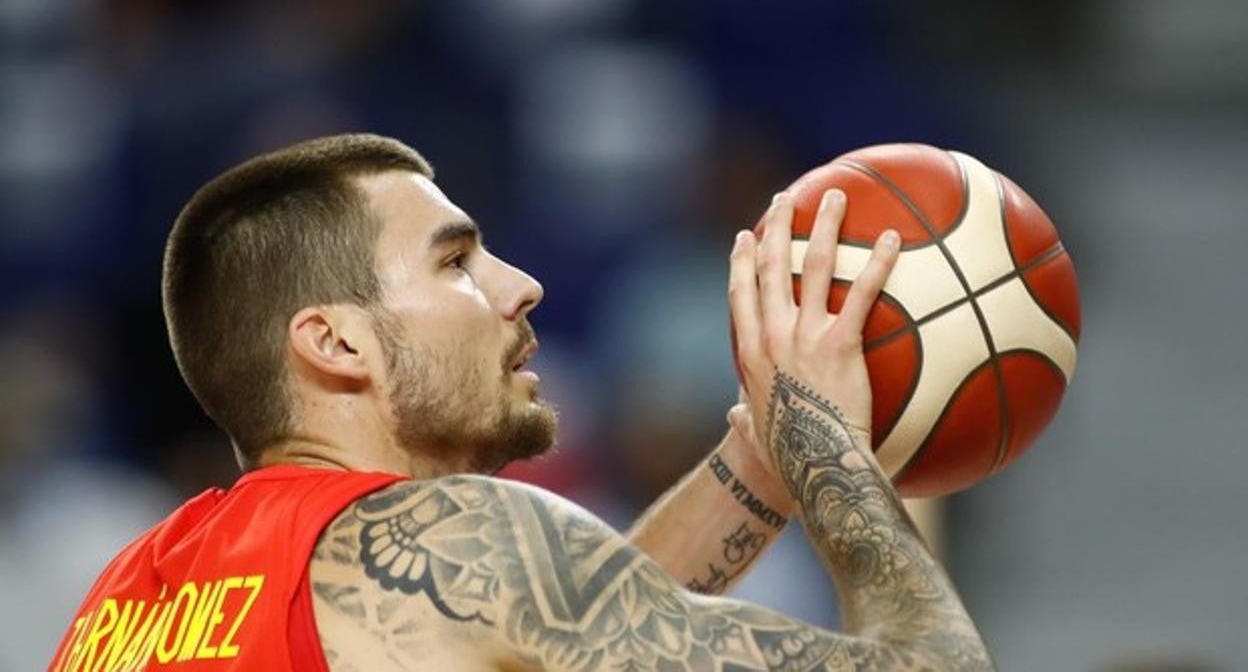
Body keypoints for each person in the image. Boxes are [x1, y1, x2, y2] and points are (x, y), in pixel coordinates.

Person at [49, 134, 992, 671]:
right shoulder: (449, 536)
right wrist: (836, 448)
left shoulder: (125, 598)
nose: (522, 285)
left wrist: (758, 459)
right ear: (335, 342)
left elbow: (551, 628)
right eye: (456, 261)